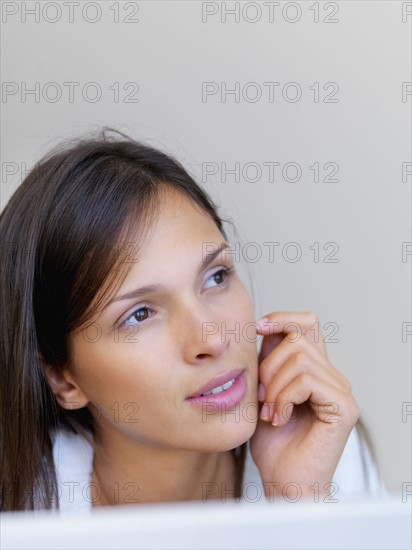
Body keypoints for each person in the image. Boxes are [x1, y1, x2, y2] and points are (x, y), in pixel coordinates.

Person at [0, 128, 387, 513]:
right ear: (63, 379)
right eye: (139, 314)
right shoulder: (22, 512)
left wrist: (301, 509)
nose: (214, 338)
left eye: (216, 277)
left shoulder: (321, 451)